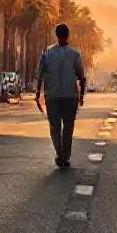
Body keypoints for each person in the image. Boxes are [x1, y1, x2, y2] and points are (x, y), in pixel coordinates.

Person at [34, 23, 86, 168]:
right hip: (71, 96)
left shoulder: (47, 53)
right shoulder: (75, 54)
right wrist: (81, 96)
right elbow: (82, 77)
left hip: (53, 96)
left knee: (55, 127)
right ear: (68, 35)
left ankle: (60, 154)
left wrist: (38, 93)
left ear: (56, 35)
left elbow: (40, 75)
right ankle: (65, 156)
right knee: (68, 127)